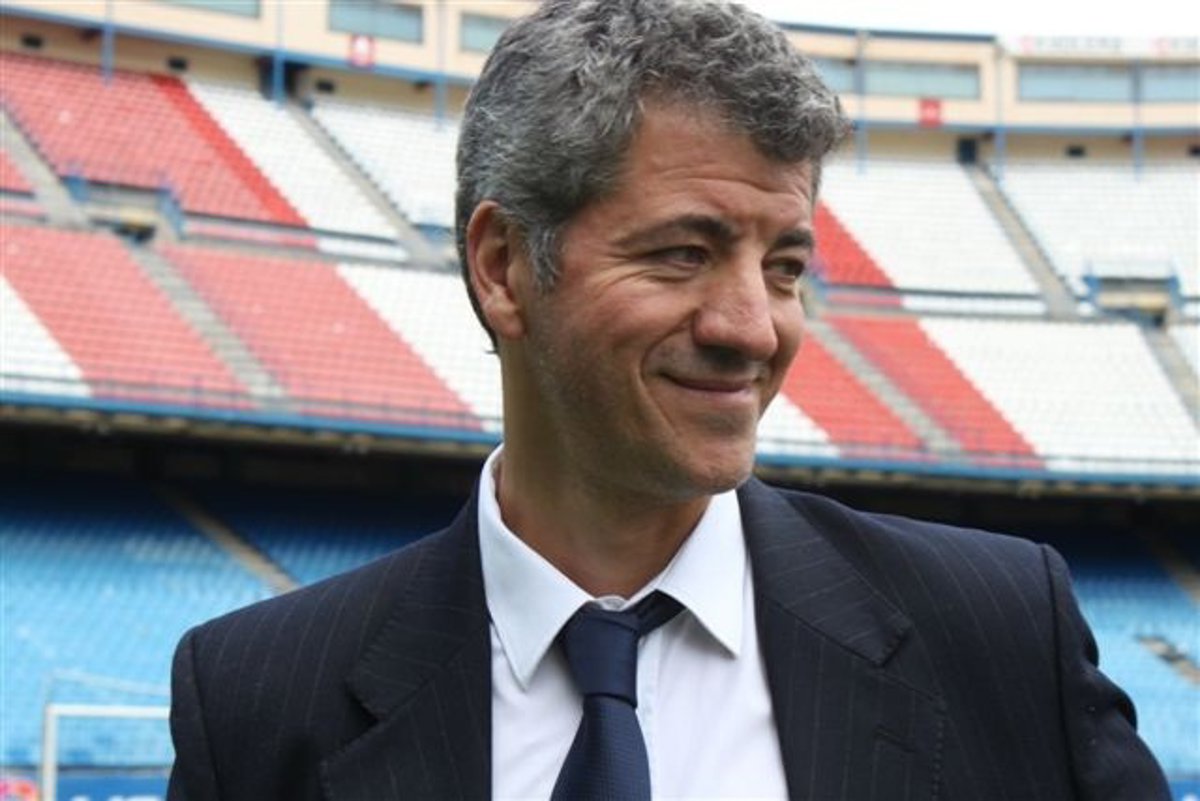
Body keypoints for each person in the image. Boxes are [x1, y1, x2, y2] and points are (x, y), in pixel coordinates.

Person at [167, 1, 1170, 799]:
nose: (753, 327)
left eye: (784, 267)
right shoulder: (261, 697)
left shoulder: (1001, 633)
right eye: (684, 253)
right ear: (504, 266)